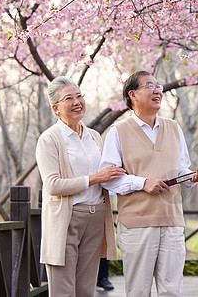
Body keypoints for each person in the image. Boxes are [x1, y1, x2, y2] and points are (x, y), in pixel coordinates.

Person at [99, 70, 198, 297]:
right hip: (137, 225)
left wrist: (192, 177)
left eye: (158, 86)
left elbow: (181, 170)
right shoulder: (118, 132)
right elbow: (108, 177)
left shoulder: (174, 128)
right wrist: (143, 183)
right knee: (139, 291)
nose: (158, 90)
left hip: (172, 222)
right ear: (132, 94)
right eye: (149, 86)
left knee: (172, 290)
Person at [35, 76, 126, 297]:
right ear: (56, 108)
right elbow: (53, 185)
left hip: (96, 217)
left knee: (86, 289)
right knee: (63, 289)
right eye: (69, 98)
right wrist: (95, 178)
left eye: (79, 96)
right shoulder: (49, 139)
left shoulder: (94, 136)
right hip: (66, 218)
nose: (77, 102)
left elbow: (108, 174)